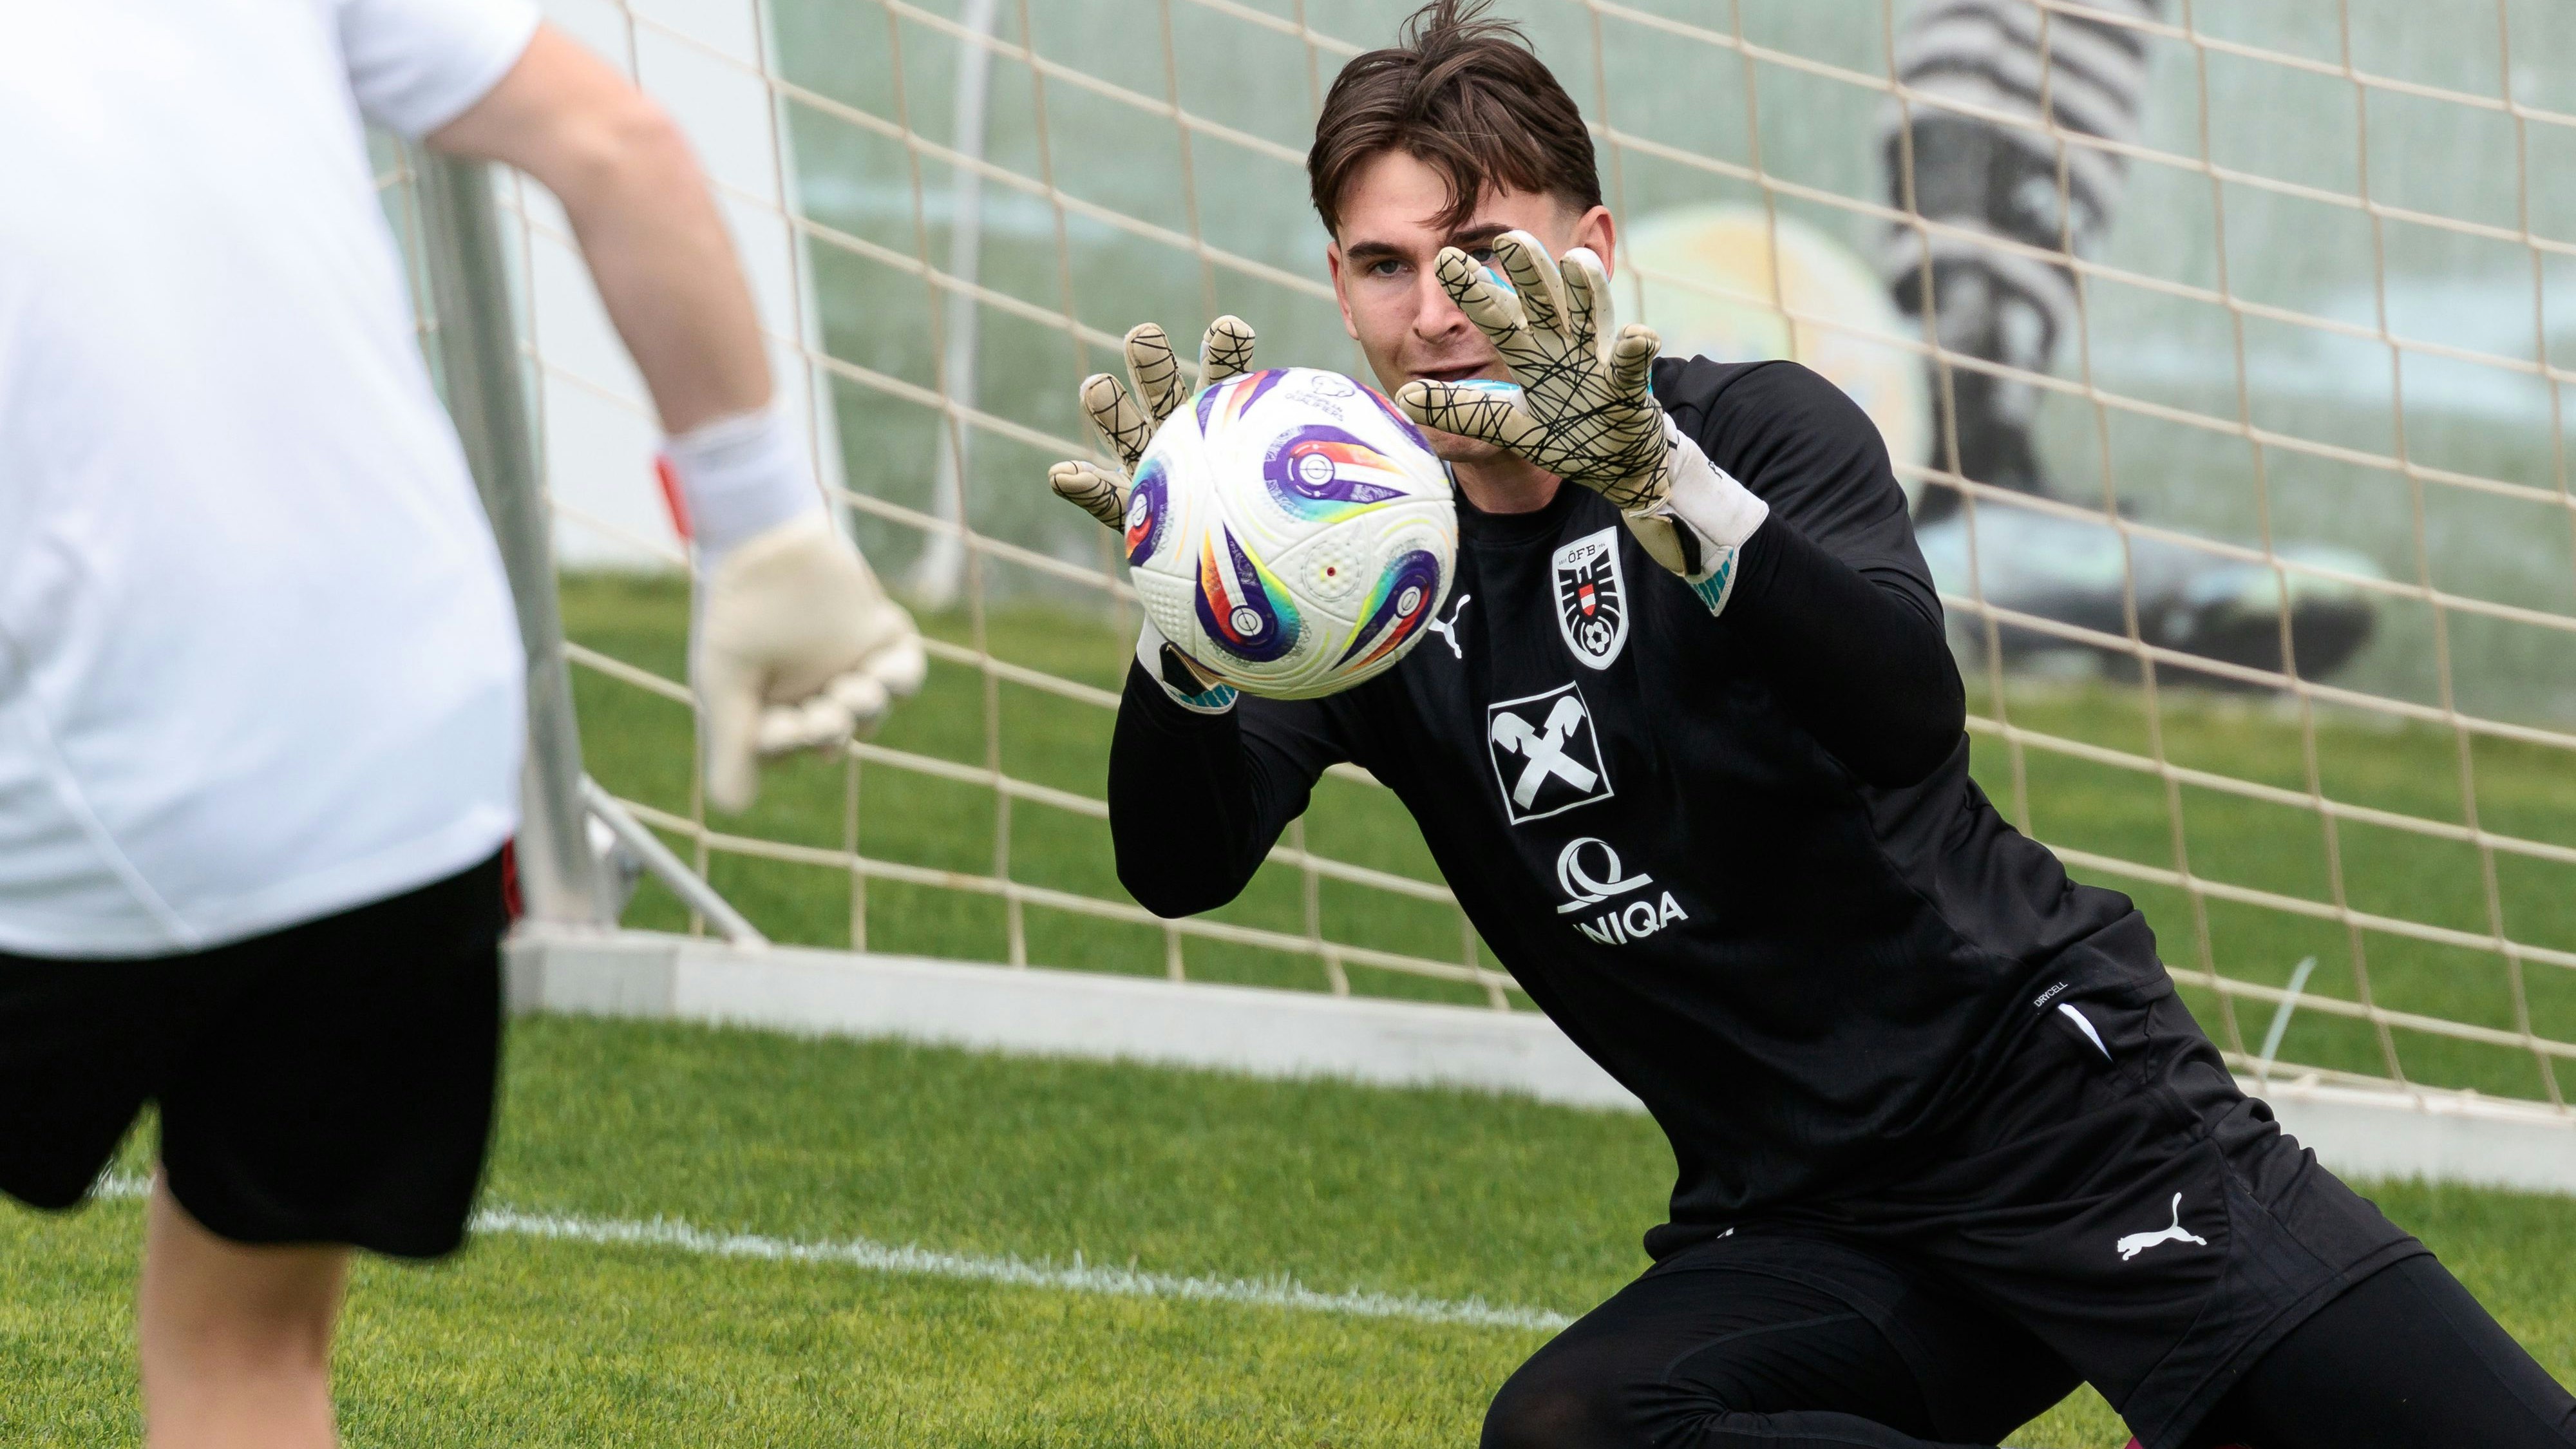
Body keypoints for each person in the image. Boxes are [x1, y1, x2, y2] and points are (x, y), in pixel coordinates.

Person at [1045, 5, 2576, 1447]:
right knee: (1578, 1425)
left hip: (2056, 1121)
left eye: (1481, 255)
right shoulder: (1346, 568)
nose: (1434, 314)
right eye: (1384, 266)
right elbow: (1181, 867)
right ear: (1332, 283)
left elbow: (1904, 715)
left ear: (1591, 248)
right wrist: (1186, 625)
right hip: (1805, 1216)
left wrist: (1654, 484)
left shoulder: (1755, 434)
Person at [0, 5, 917, 1445]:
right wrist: (762, 528)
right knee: (244, 1353)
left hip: (68, 750)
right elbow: (618, 141)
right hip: (387, 741)